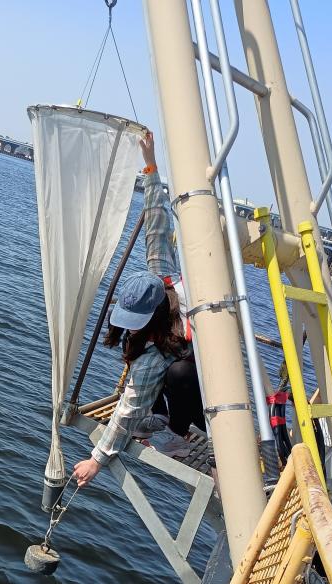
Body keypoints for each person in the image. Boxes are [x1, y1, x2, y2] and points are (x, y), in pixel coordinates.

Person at [71, 131, 200, 488]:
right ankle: (159, 417)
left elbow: (127, 409)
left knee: (177, 374)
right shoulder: (163, 278)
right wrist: (150, 164)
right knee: (166, 373)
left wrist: (96, 461)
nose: (130, 330)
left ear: (156, 315)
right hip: (182, 369)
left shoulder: (158, 353)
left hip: (203, 398)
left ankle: (175, 433)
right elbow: (157, 221)